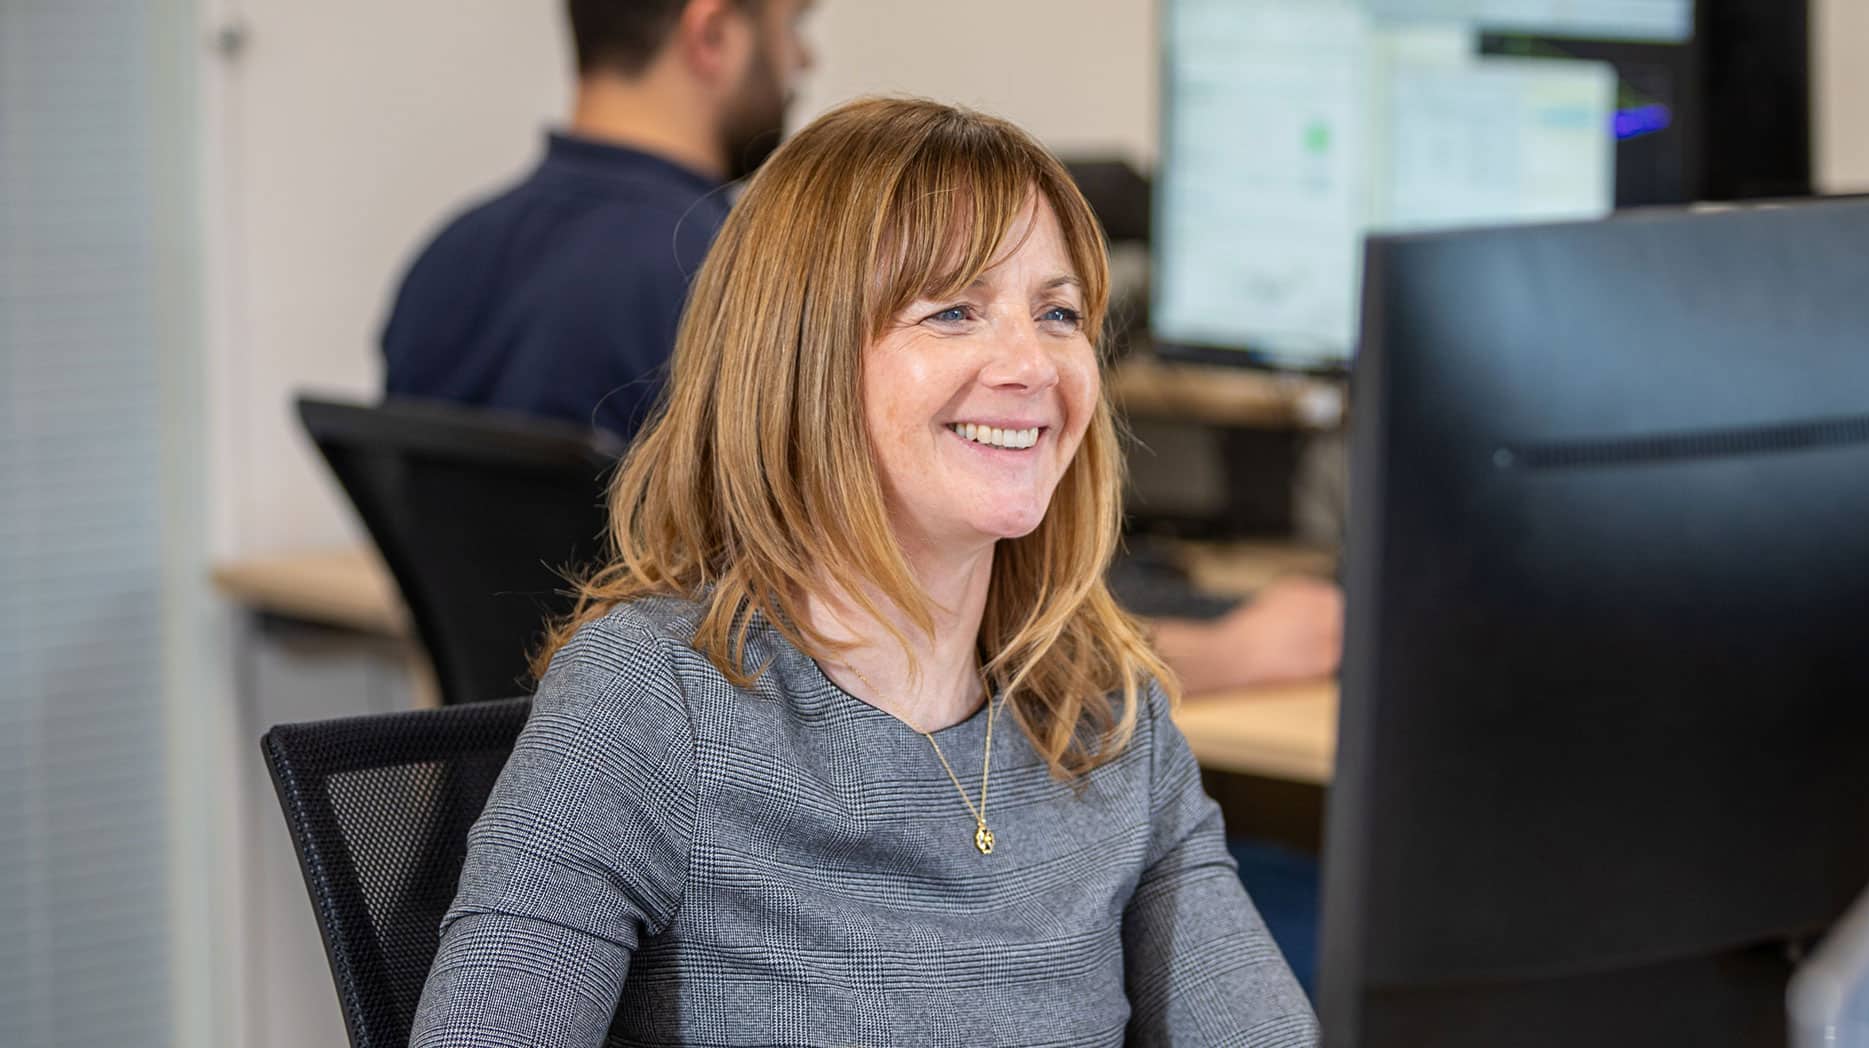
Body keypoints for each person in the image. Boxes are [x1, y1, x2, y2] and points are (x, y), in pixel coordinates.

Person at [407, 97, 1317, 1046]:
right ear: (804, 362)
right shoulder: (651, 700)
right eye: (953, 311)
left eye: (1059, 313)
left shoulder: (1105, 715)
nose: (1032, 363)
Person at [380, 0, 815, 440]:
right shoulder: (739, 280)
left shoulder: (444, 261)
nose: (804, 57)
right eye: (794, 23)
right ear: (712, 35)